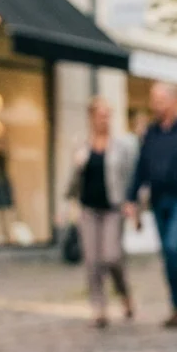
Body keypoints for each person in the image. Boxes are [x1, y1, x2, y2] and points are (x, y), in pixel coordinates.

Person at [123, 83, 177, 329]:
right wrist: (131, 199)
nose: (155, 105)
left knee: (172, 247)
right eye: (153, 100)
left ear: (173, 102)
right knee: (167, 253)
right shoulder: (151, 134)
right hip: (158, 200)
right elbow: (141, 169)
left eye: (159, 100)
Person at [67, 98, 138, 328]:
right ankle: (99, 308)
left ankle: (124, 292)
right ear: (92, 117)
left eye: (108, 114)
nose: (104, 119)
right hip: (88, 209)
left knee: (112, 256)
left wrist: (131, 203)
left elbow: (129, 177)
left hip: (112, 209)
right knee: (92, 261)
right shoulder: (82, 145)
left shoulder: (121, 147)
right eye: (101, 114)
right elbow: (72, 183)